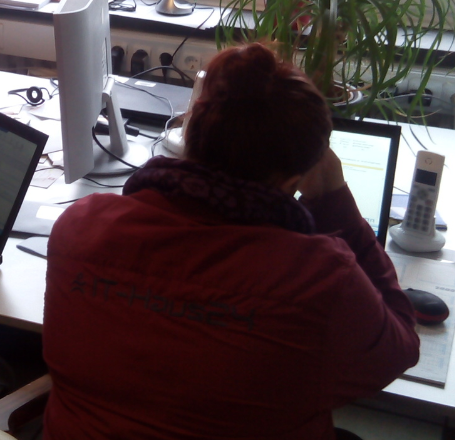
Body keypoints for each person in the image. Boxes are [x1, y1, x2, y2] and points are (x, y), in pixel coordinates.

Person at [42, 43, 419, 440]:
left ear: (190, 135)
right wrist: (334, 199)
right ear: (295, 178)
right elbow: (399, 347)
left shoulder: (81, 226)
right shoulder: (320, 280)